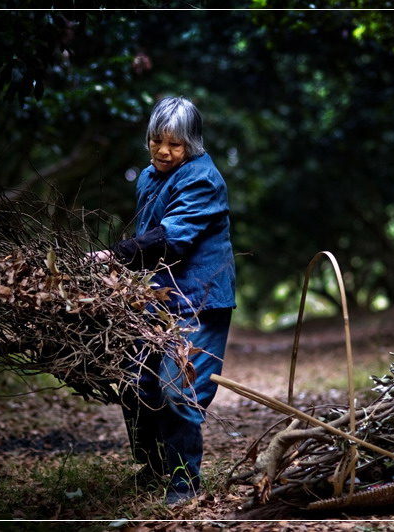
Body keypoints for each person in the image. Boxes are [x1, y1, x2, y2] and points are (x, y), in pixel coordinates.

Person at [91, 96, 236, 505]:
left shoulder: (202, 179)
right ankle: (153, 467)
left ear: (192, 144)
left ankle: (183, 482)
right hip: (156, 299)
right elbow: (147, 240)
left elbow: (171, 239)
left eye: (175, 144)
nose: (164, 152)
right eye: (157, 141)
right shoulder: (149, 178)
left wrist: (112, 255)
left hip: (200, 301)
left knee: (178, 390)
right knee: (139, 385)